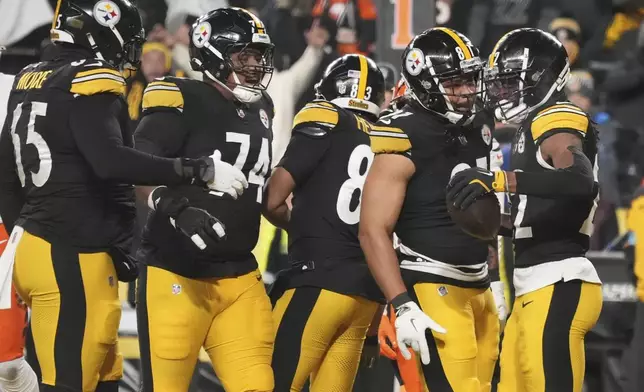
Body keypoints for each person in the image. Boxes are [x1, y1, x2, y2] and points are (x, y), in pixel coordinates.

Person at [0, 1, 244, 391]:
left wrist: (29, 234)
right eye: (126, 39)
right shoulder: (91, 80)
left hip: (39, 245)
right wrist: (196, 169)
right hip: (72, 251)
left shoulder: (30, 76)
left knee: (104, 378)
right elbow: (110, 161)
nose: (127, 51)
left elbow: (7, 178)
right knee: (70, 382)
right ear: (98, 29)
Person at [447, 27, 603, 392]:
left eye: (510, 83)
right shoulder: (531, 125)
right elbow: (537, 212)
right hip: (534, 286)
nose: (502, 92)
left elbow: (579, 181)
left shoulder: (557, 116)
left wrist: (499, 181)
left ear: (540, 78)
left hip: (558, 280)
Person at [133, 7, 275, 392]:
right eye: (244, 56)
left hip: (240, 274)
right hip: (176, 270)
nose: (255, 65)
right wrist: (173, 207)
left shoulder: (262, 108)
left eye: (259, 56)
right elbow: (138, 165)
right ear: (213, 54)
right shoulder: (179, 94)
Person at [359, 27, 501, 392]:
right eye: (454, 82)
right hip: (431, 283)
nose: (468, 90)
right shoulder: (404, 132)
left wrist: (496, 278)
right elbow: (373, 229)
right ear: (424, 84)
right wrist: (402, 304)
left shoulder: (478, 125)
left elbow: (482, 209)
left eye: (471, 79)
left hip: (480, 286)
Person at [264, 53, 386, 391]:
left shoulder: (324, 116)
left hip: (318, 281)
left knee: (269, 383)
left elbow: (273, 199)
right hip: (365, 295)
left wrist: (307, 227)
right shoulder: (389, 137)